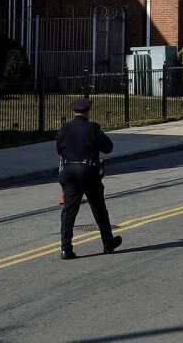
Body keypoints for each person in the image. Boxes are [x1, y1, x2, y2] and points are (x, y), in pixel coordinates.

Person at [57, 97, 122, 260]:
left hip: (68, 170)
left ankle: (66, 248)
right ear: (88, 111)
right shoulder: (92, 128)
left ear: (73, 112)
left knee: (69, 211)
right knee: (99, 208)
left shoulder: (65, 129)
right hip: (87, 171)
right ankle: (108, 243)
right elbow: (108, 147)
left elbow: (59, 149)